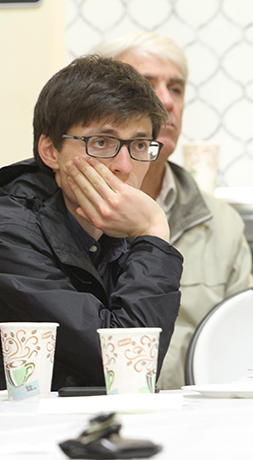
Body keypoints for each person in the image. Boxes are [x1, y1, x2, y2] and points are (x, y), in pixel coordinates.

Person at [0, 55, 183, 390]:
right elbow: (125, 367)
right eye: (102, 142)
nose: (124, 166)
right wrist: (154, 232)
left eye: (139, 145)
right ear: (50, 151)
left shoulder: (117, 230)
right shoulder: (2, 238)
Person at [94, 32, 253, 389]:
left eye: (176, 88)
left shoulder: (221, 223)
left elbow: (240, 341)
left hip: (197, 417)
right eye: (145, 86)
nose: (166, 101)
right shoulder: (77, 213)